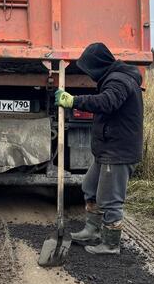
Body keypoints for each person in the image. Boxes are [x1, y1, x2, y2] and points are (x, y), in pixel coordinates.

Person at [55, 43, 144, 255]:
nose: (89, 75)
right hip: (108, 149)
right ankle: (92, 231)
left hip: (118, 152)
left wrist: (74, 101)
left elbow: (107, 102)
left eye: (89, 69)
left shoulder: (119, 81)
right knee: (90, 187)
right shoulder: (114, 78)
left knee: (110, 199)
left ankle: (111, 244)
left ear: (97, 65)